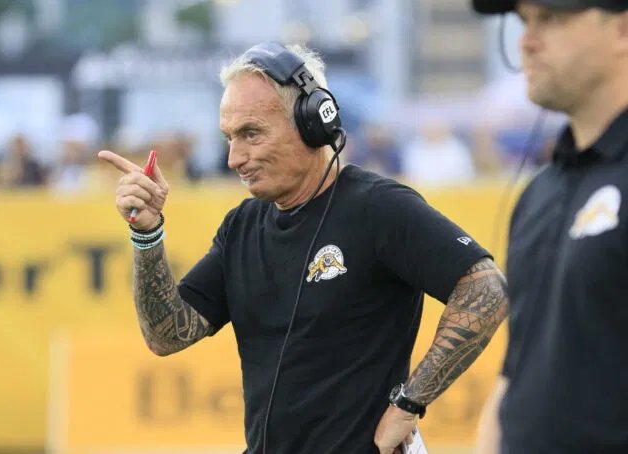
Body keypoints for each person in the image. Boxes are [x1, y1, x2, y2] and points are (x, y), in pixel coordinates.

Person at [99, 42, 508, 454]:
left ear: (312, 122)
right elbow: (168, 336)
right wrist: (147, 235)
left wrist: (409, 403)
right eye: (229, 138)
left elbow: (486, 287)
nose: (234, 158)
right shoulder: (241, 226)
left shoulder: (378, 207)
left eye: (251, 134)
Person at [471, 1, 628, 453]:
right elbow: (517, 371)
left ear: (622, 30)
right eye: (524, 20)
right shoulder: (539, 193)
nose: (527, 40)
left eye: (552, 18)